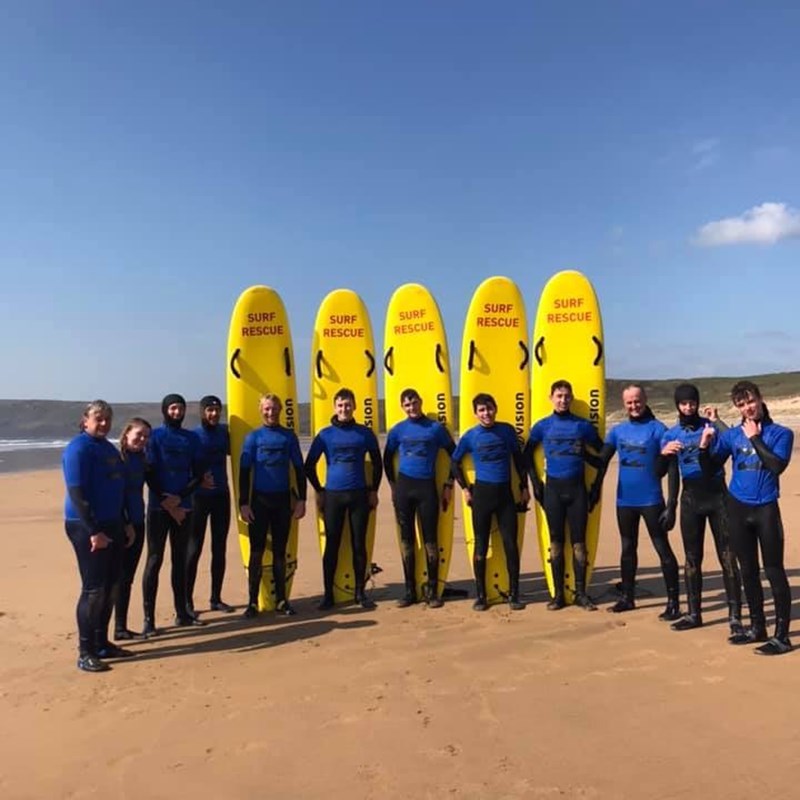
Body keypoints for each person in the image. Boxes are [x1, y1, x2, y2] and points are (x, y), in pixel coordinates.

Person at [699, 381, 794, 655]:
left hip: (765, 509)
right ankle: (757, 627)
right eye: (741, 404)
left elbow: (776, 466)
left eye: (750, 401)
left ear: (760, 399)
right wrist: (704, 448)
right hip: (737, 508)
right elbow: (710, 469)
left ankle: (782, 637)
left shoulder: (781, 433)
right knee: (748, 571)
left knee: (773, 571)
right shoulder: (731, 437)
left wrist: (754, 437)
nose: (747, 408)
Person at [658, 384, 743, 636]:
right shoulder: (671, 435)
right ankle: (694, 613)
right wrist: (670, 504)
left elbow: (734, 442)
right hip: (690, 499)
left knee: (727, 556)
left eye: (692, 403)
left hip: (717, 496)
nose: (688, 407)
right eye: (683, 403)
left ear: (697, 403)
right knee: (692, 558)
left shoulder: (710, 428)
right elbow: (668, 473)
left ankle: (735, 616)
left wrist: (717, 421)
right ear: (677, 405)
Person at [591, 384, 682, 620]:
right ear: (624, 404)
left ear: (645, 399)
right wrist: (579, 450)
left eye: (637, 401)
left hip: (651, 500)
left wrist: (672, 504)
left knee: (663, 548)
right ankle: (627, 598)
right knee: (627, 549)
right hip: (625, 501)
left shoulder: (659, 430)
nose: (634, 405)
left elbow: (672, 469)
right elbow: (601, 461)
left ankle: (673, 602)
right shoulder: (618, 431)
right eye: (629, 402)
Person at [62, 400, 134, 672]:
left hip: (113, 523)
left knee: (113, 584)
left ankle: (102, 642)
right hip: (85, 526)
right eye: (98, 418)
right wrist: (94, 531)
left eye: (107, 418)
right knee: (94, 589)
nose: (103, 423)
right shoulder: (78, 448)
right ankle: (85, 651)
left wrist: (126, 522)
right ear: (85, 420)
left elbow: (117, 488)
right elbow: (77, 494)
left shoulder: (107, 448)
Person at [524, 380, 604, 611]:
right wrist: (536, 483)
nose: (563, 400)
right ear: (551, 398)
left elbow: (602, 456)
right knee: (556, 543)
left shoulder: (582, 426)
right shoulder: (542, 426)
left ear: (571, 398)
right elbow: (527, 455)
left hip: (578, 490)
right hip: (553, 491)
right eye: (559, 396)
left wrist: (596, 485)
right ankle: (558, 595)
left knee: (579, 543)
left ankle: (581, 593)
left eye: (567, 396)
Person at [304, 388, 383, 610]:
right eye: (340, 405)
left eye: (348, 405)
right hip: (333, 496)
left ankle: (360, 593)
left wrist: (374, 490)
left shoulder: (364, 433)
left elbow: (377, 463)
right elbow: (308, 465)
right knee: (332, 545)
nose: (344, 409)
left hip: (359, 495)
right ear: (334, 407)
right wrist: (319, 490)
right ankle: (328, 594)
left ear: (354, 406)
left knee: (359, 544)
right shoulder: (325, 435)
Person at [451, 393, 529, 612]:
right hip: (482, 495)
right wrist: (465, 488)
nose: (486, 414)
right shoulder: (470, 436)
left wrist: (524, 487)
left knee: (510, 545)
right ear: (476, 414)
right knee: (481, 546)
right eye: (481, 410)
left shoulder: (506, 431)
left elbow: (519, 460)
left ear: (496, 408)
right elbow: (454, 462)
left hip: (505, 495)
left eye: (489, 408)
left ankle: (514, 594)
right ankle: (481, 595)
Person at [383, 388, 455, 608]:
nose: (411, 407)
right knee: (407, 541)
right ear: (402, 407)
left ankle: (432, 592)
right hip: (405, 488)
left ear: (420, 402)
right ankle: (409, 591)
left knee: (430, 540)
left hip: (427, 489)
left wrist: (448, 484)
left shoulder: (435, 429)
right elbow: (387, 459)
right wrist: (393, 486)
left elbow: (455, 455)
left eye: (414, 402)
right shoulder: (397, 431)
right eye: (406, 404)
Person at [141, 393, 206, 636]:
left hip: (185, 506)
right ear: (165, 410)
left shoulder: (191, 439)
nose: (177, 412)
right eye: (173, 408)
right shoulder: (155, 437)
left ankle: (183, 613)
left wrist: (179, 498)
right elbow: (149, 473)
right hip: (159, 508)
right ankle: (149, 619)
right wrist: (167, 502)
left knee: (180, 560)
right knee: (154, 560)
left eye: (180, 408)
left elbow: (198, 474)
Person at [239, 394, 307, 618]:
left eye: (274, 409)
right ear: (261, 410)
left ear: (280, 410)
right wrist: (243, 503)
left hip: (282, 502)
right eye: (267, 409)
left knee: (280, 552)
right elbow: (244, 472)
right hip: (259, 502)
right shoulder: (253, 438)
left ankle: (281, 600)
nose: (271, 413)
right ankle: (251, 602)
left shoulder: (288, 437)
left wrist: (302, 500)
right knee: (256, 553)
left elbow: (299, 469)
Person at [185, 395, 234, 616]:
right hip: (199, 498)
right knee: (194, 549)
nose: (214, 414)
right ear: (202, 411)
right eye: (210, 410)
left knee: (219, 548)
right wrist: (195, 482)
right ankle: (187, 603)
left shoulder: (225, 433)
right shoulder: (194, 436)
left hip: (221, 495)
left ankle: (216, 598)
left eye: (217, 410)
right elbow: (183, 465)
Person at [114, 417, 152, 640]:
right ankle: (114, 629)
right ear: (127, 433)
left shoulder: (142, 459)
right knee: (117, 578)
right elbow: (115, 495)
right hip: (121, 525)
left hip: (139, 522)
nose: (142, 439)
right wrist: (126, 523)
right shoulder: (118, 458)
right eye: (138, 434)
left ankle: (121, 627)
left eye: (146, 436)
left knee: (127, 578)